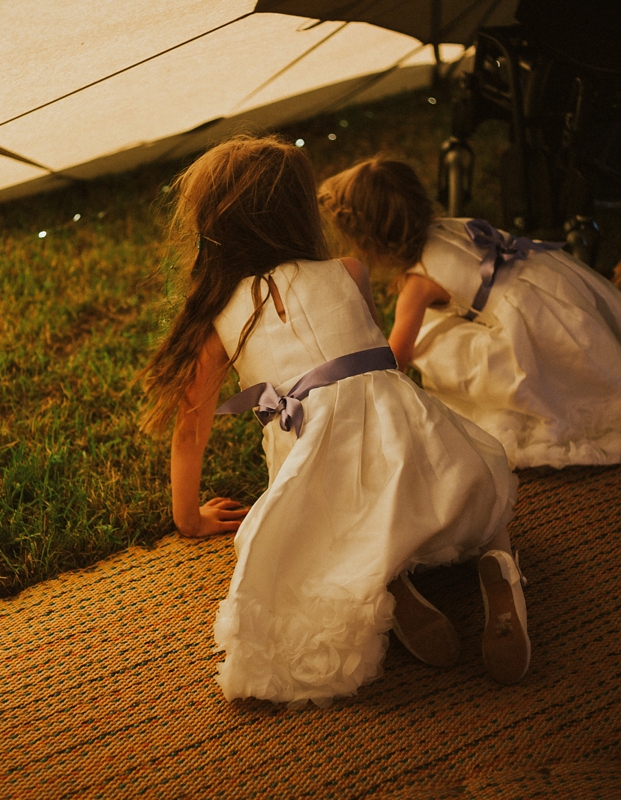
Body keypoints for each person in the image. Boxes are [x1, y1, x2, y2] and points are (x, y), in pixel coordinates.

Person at [139, 136, 527, 709]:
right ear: (298, 213)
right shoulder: (348, 271)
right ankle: (499, 568)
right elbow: (381, 366)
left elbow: (190, 429)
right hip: (410, 437)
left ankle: (389, 584)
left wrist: (188, 518)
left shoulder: (223, 314)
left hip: (320, 455)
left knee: (331, 530)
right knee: (483, 492)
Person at [319, 158, 621, 470]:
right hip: (557, 292)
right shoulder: (457, 226)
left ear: (367, 240)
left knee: (431, 341)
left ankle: (522, 402)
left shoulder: (417, 286)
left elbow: (395, 359)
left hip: (541, 332)